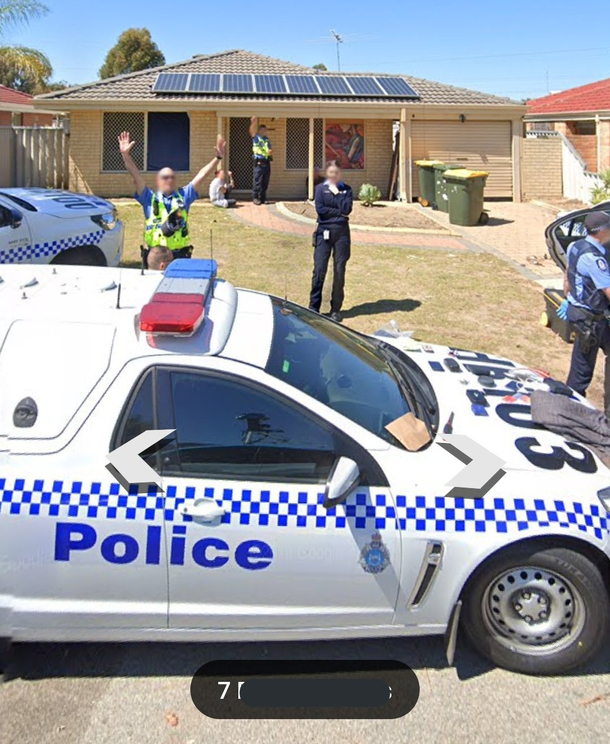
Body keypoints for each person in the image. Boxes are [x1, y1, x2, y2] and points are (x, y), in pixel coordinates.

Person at [118, 131, 225, 264]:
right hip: (155, 258)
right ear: (158, 181)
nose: (169, 180)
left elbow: (201, 175)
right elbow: (135, 175)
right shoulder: (149, 198)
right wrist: (125, 155)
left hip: (179, 257)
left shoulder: (184, 196)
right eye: (165, 177)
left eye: (172, 177)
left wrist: (218, 158)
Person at [557, 211, 610, 412]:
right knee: (582, 371)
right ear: (602, 231)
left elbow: (568, 273)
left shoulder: (575, 246)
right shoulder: (595, 259)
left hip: (580, 313)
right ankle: (570, 411)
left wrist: (568, 298)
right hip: (590, 320)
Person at [309, 160, 353, 323]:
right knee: (319, 269)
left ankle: (335, 309)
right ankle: (313, 307)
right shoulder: (320, 189)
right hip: (324, 232)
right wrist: (338, 213)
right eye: (331, 173)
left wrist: (336, 194)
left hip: (341, 234)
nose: (333, 176)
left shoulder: (346, 190)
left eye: (336, 173)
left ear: (340, 173)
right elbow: (320, 210)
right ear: (327, 173)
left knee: (339, 271)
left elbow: (347, 209)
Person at [249, 116, 272, 205]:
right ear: (259, 130)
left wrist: (270, 152)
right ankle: (255, 198)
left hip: (266, 161)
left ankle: (263, 198)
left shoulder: (266, 139)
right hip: (259, 162)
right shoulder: (256, 138)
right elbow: (251, 131)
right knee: (257, 180)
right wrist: (253, 122)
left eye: (265, 130)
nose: (264, 131)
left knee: (265, 181)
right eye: (262, 130)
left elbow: (269, 149)